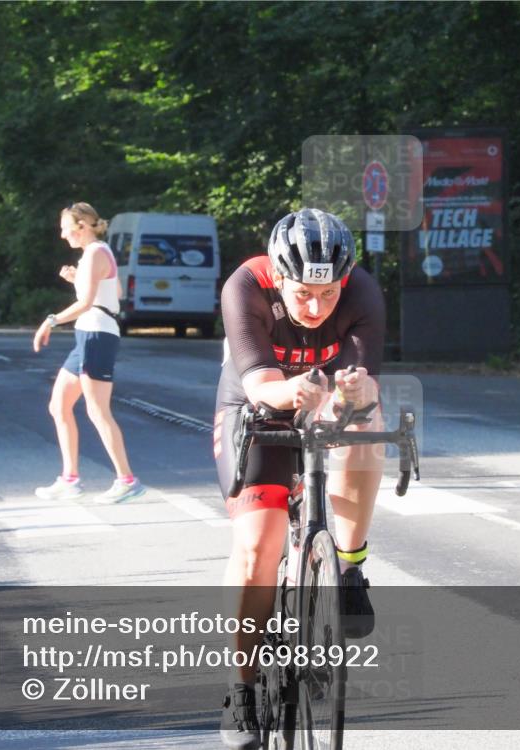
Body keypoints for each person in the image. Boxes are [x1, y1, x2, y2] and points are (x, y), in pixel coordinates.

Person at [214, 208, 385, 749]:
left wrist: (353, 397)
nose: (315, 309)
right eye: (303, 295)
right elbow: (264, 387)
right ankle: (240, 691)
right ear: (279, 277)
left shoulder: (363, 293)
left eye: (329, 294)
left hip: (321, 395)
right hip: (256, 402)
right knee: (257, 547)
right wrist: (296, 395)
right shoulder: (245, 285)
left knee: (370, 421)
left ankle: (351, 568)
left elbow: (365, 384)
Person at [32, 202, 146, 504]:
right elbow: (114, 292)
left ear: (81, 226)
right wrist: (78, 279)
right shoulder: (94, 254)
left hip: (97, 333)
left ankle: (127, 479)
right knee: (59, 405)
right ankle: (70, 479)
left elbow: (87, 303)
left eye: (65, 228)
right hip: (89, 333)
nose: (62, 234)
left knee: (98, 411)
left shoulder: (96, 252)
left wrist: (51, 320)